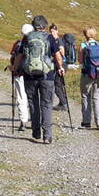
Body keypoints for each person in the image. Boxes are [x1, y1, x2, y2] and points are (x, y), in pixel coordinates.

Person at [11, 15, 63, 144]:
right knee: (46, 104)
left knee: (33, 103)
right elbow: (57, 55)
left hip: (30, 76)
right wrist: (60, 67)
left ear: (33, 25)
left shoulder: (27, 37)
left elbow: (20, 56)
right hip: (47, 76)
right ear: (44, 25)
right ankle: (47, 135)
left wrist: (15, 68)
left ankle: (36, 132)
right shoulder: (49, 37)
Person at [79, 27, 99, 130]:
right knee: (98, 98)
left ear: (85, 35)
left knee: (85, 96)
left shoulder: (83, 45)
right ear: (95, 34)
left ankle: (86, 122)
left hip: (87, 74)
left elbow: (80, 60)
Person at [7, 24, 34, 131]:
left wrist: (13, 68)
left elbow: (12, 57)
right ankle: (35, 120)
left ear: (22, 33)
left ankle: (23, 121)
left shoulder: (18, 44)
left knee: (21, 97)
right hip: (33, 74)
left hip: (19, 74)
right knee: (33, 97)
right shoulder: (36, 43)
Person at [49, 24, 69, 110]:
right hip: (59, 64)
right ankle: (62, 103)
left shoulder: (58, 40)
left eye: (53, 31)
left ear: (57, 31)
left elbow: (62, 52)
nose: (52, 33)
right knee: (59, 84)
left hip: (61, 64)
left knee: (57, 84)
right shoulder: (54, 40)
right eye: (51, 31)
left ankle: (64, 104)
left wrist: (55, 56)